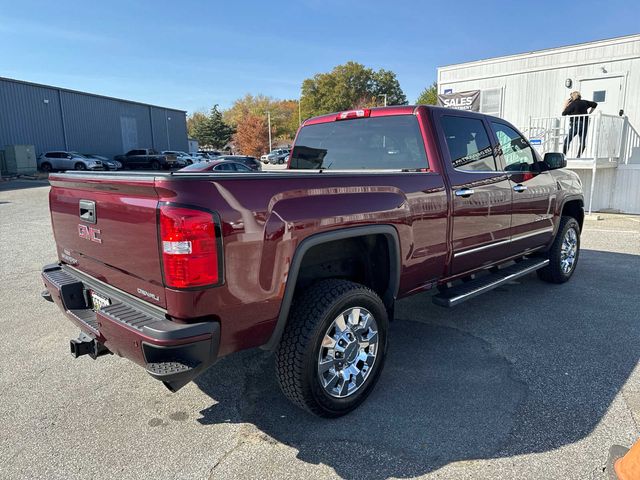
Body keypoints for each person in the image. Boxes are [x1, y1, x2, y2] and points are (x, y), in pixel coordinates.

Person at [562, 91, 597, 157]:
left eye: (571, 97)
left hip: (576, 123)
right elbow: (595, 104)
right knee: (582, 140)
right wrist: (589, 113)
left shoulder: (573, 104)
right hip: (585, 123)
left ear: (573, 97)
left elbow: (563, 113)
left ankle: (564, 156)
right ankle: (578, 156)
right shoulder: (584, 102)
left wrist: (565, 104)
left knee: (567, 140)